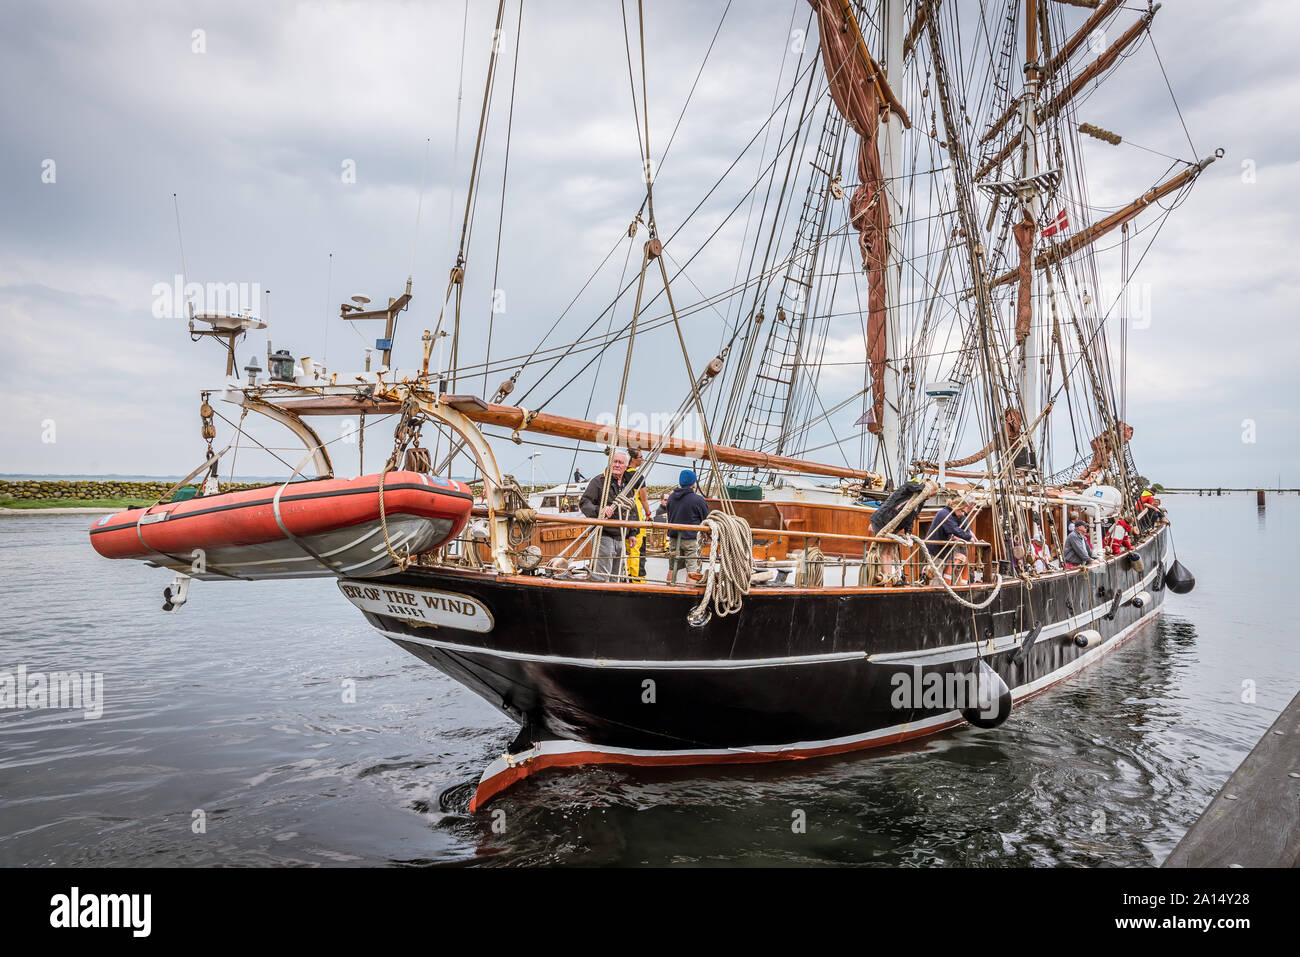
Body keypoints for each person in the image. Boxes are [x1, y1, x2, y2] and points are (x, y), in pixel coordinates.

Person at [579, 450, 634, 581]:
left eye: (620, 462)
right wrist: (600, 510)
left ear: (626, 466)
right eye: (614, 462)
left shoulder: (628, 485)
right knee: (602, 577)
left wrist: (632, 532)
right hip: (604, 535)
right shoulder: (598, 481)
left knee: (617, 577)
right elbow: (584, 503)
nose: (616, 465)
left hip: (621, 535)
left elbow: (631, 509)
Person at [869, 479, 926, 585]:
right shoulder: (909, 492)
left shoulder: (920, 501)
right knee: (884, 549)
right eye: (930, 493)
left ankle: (890, 577)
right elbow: (907, 484)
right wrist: (923, 489)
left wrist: (908, 533)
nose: (929, 496)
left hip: (893, 527)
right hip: (882, 522)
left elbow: (912, 516)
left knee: (890, 550)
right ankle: (887, 577)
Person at [666, 469, 710, 583]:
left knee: (672, 568)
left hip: (675, 539)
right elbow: (707, 519)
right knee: (692, 571)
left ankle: (669, 589)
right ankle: (689, 597)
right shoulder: (698, 500)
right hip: (691, 540)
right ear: (693, 483)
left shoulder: (671, 498)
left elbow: (669, 516)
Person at [924, 495, 975, 584]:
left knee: (939, 575)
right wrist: (969, 537)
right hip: (936, 551)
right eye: (962, 511)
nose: (963, 513)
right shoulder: (944, 514)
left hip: (942, 551)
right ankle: (934, 592)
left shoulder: (952, 514)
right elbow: (954, 529)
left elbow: (962, 526)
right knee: (936, 577)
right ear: (955, 506)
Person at [623, 449, 651, 582]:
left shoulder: (622, 474)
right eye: (641, 457)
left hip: (624, 515)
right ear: (633, 459)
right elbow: (644, 498)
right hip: (637, 515)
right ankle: (638, 580)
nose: (643, 459)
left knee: (628, 548)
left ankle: (627, 576)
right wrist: (649, 513)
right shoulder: (637, 476)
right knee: (638, 549)